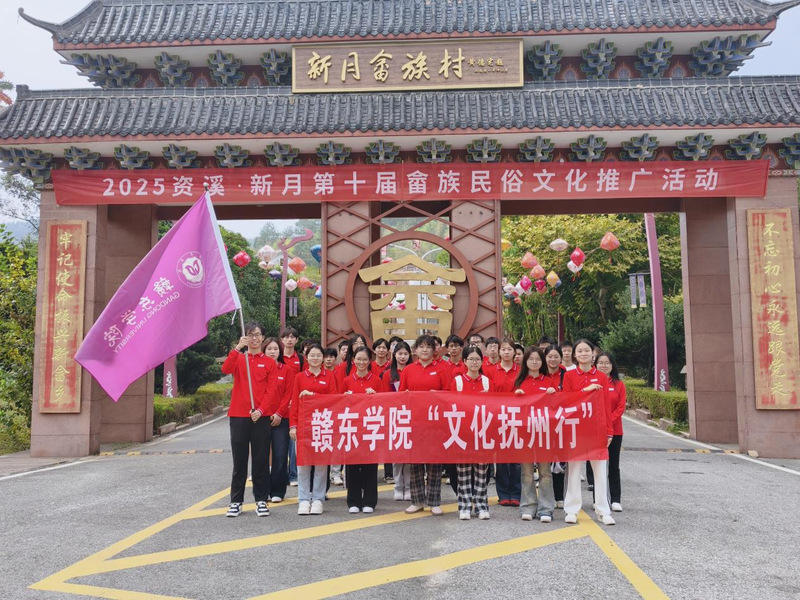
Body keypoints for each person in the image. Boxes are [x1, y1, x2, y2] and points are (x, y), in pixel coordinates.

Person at [221, 322, 278, 518]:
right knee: (239, 461)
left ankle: (261, 500)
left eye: (258, 335)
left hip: (260, 417)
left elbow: (271, 391)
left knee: (260, 461)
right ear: (245, 337)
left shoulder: (269, 363)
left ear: (263, 338)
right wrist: (237, 347)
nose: (254, 338)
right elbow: (225, 369)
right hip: (238, 415)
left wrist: (261, 410)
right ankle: (236, 501)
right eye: (251, 335)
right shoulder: (240, 358)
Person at [561, 339, 615, 526]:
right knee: (574, 471)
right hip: (575, 429)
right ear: (574, 355)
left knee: (600, 471)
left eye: (587, 351)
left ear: (593, 354)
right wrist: (586, 390)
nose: (583, 354)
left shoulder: (601, 377)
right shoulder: (569, 376)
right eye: (580, 351)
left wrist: (609, 431)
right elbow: (566, 400)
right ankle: (571, 509)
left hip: (596, 430)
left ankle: (603, 510)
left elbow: (606, 405)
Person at [400, 335, 449, 515]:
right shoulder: (408, 370)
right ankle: (417, 501)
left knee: (434, 464)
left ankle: (434, 501)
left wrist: (438, 395)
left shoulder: (442, 369)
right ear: (416, 350)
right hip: (415, 422)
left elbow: (449, 393)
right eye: (421, 346)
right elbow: (401, 394)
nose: (425, 350)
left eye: (428, 346)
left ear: (434, 350)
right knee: (415, 464)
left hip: (435, 423)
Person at [289, 344, 338, 515]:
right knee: (303, 465)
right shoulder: (299, 377)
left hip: (323, 425)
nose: (315, 358)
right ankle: (303, 499)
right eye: (312, 355)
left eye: (318, 355)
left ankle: (318, 499)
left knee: (321, 465)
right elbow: (294, 403)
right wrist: (293, 426)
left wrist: (313, 396)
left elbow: (333, 399)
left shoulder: (329, 376)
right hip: (304, 426)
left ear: (323, 358)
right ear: (306, 357)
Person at [341, 346, 387, 513]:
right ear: (353, 360)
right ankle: (353, 501)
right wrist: (345, 397)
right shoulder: (347, 380)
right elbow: (338, 404)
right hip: (352, 427)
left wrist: (375, 396)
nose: (361, 362)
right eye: (358, 359)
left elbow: (384, 403)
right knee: (352, 465)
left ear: (370, 361)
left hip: (370, 427)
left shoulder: (376, 380)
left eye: (365, 359)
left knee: (370, 465)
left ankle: (369, 501)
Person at [513, 346, 557, 523]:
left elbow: (557, 407)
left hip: (544, 433)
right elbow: (510, 408)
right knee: (527, 472)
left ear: (542, 362)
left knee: (545, 472)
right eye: (531, 359)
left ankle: (546, 508)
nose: (534, 362)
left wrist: (553, 395)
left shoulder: (549, 382)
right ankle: (528, 506)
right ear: (525, 361)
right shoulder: (519, 382)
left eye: (537, 359)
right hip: (525, 433)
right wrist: (516, 396)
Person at [452, 346, 493, 520]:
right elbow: (452, 406)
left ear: (482, 362)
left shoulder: (487, 382)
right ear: (464, 362)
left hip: (483, 431)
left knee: (482, 471)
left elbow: (494, 407)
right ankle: (465, 506)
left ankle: (482, 505)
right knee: (463, 471)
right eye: (471, 359)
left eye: (477, 359)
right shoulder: (458, 381)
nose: (474, 363)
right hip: (463, 432)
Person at [588, 352, 626, 513]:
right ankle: (598, 499)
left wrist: (607, 421)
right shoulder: (592, 383)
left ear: (612, 365)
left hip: (615, 431)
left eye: (607, 363)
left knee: (613, 466)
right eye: (600, 363)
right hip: (595, 430)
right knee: (598, 466)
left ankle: (615, 499)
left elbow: (620, 407)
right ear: (595, 365)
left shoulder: (619, 385)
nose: (604, 366)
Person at [262, 337, 295, 504]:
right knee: (261, 456)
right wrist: (263, 411)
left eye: (275, 349)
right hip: (261, 418)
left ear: (280, 351)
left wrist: (279, 413)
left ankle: (278, 490)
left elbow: (289, 393)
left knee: (280, 456)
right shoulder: (259, 369)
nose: (272, 352)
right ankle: (263, 491)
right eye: (269, 349)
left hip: (281, 419)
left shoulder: (286, 370)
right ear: (264, 351)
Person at [492, 337, 522, 508]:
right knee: (502, 458)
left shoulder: (521, 371)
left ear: (514, 352)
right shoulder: (491, 371)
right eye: (503, 349)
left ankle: (516, 493)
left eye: (509, 349)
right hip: (498, 418)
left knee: (516, 459)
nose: (506, 352)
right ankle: (503, 494)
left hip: (517, 418)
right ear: (499, 352)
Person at [382, 341, 412, 501]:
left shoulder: (413, 371)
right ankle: (398, 486)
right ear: (394, 355)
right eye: (400, 354)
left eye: (405, 354)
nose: (402, 357)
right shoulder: (388, 374)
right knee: (397, 455)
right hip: (394, 416)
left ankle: (408, 487)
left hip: (411, 416)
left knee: (409, 456)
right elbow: (383, 397)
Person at [543, 344, 567, 507]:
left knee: (560, 460)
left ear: (561, 358)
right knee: (544, 462)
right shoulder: (540, 374)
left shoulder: (566, 375)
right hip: (543, 423)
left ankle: (559, 497)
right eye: (549, 356)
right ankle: (546, 496)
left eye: (556, 357)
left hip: (561, 423)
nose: (552, 359)